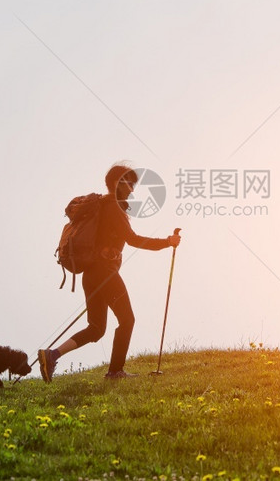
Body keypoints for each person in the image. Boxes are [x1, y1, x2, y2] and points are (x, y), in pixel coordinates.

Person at [38, 163, 181, 380]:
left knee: (96, 328)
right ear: (117, 183)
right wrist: (167, 242)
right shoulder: (113, 206)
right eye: (129, 183)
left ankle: (52, 355)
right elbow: (132, 239)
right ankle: (115, 372)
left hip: (90, 275)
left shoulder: (104, 206)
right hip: (105, 272)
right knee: (127, 320)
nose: (132, 189)